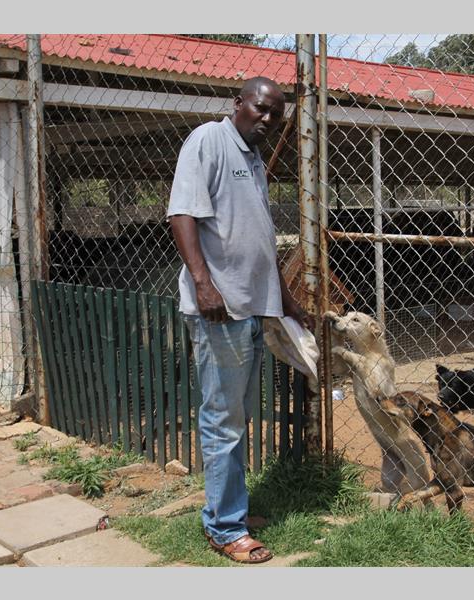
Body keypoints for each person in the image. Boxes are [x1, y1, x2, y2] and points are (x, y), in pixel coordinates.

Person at [167, 77, 313, 564]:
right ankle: (224, 528)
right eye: (260, 108)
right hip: (221, 308)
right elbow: (182, 214)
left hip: (251, 308)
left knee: (237, 417)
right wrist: (203, 283)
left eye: (277, 114)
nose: (268, 119)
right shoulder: (209, 139)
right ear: (238, 104)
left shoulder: (253, 162)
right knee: (223, 420)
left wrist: (286, 301)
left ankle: (231, 508)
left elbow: (261, 240)